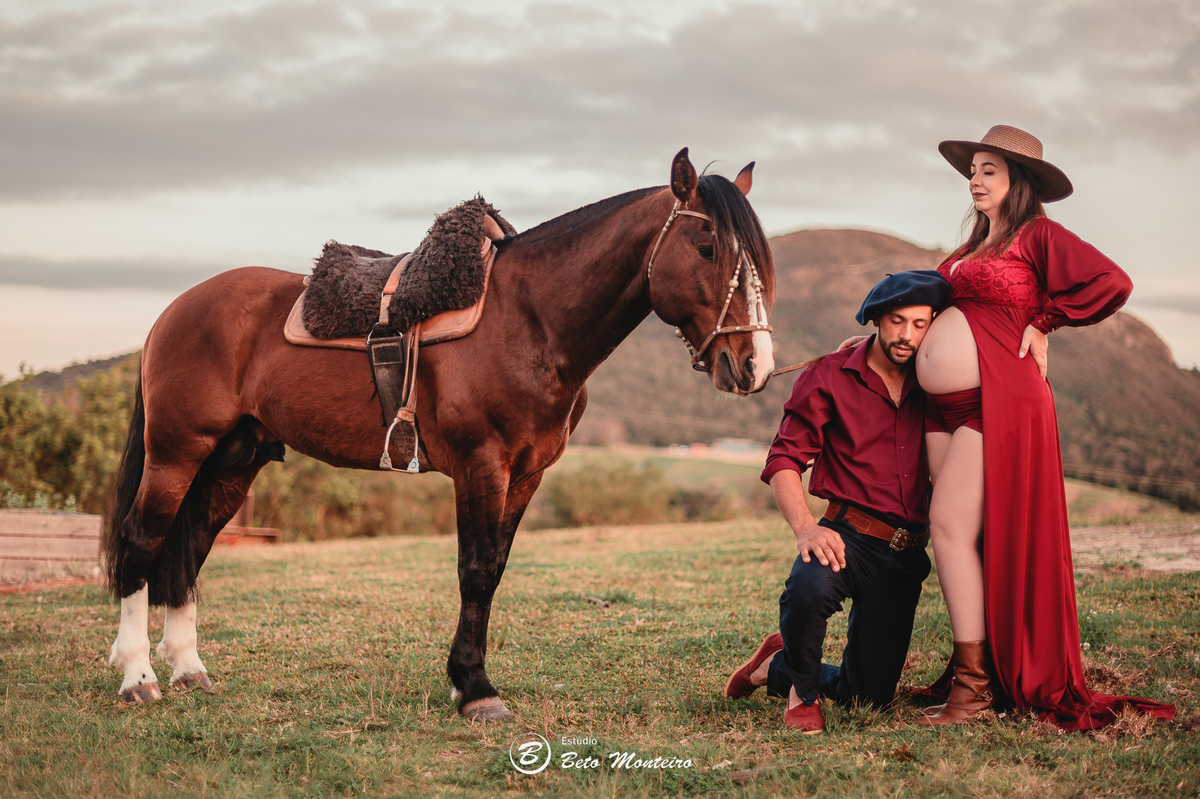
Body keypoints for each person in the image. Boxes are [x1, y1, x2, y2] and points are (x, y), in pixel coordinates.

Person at [913, 125, 1175, 729]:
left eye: (989, 171)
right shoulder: (973, 246)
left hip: (998, 399)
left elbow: (1114, 282)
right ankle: (980, 669)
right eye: (973, 170)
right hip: (942, 408)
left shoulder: (1040, 234)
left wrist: (1047, 320)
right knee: (968, 537)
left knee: (948, 525)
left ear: (1017, 182)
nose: (975, 180)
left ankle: (973, 689)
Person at [724, 271, 950, 733]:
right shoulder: (829, 375)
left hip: (906, 553)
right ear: (876, 320)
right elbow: (784, 458)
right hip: (847, 535)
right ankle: (802, 696)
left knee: (868, 696)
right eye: (896, 321)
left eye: (920, 324)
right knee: (808, 590)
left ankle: (775, 664)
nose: (907, 335)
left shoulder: (935, 382)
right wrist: (808, 527)